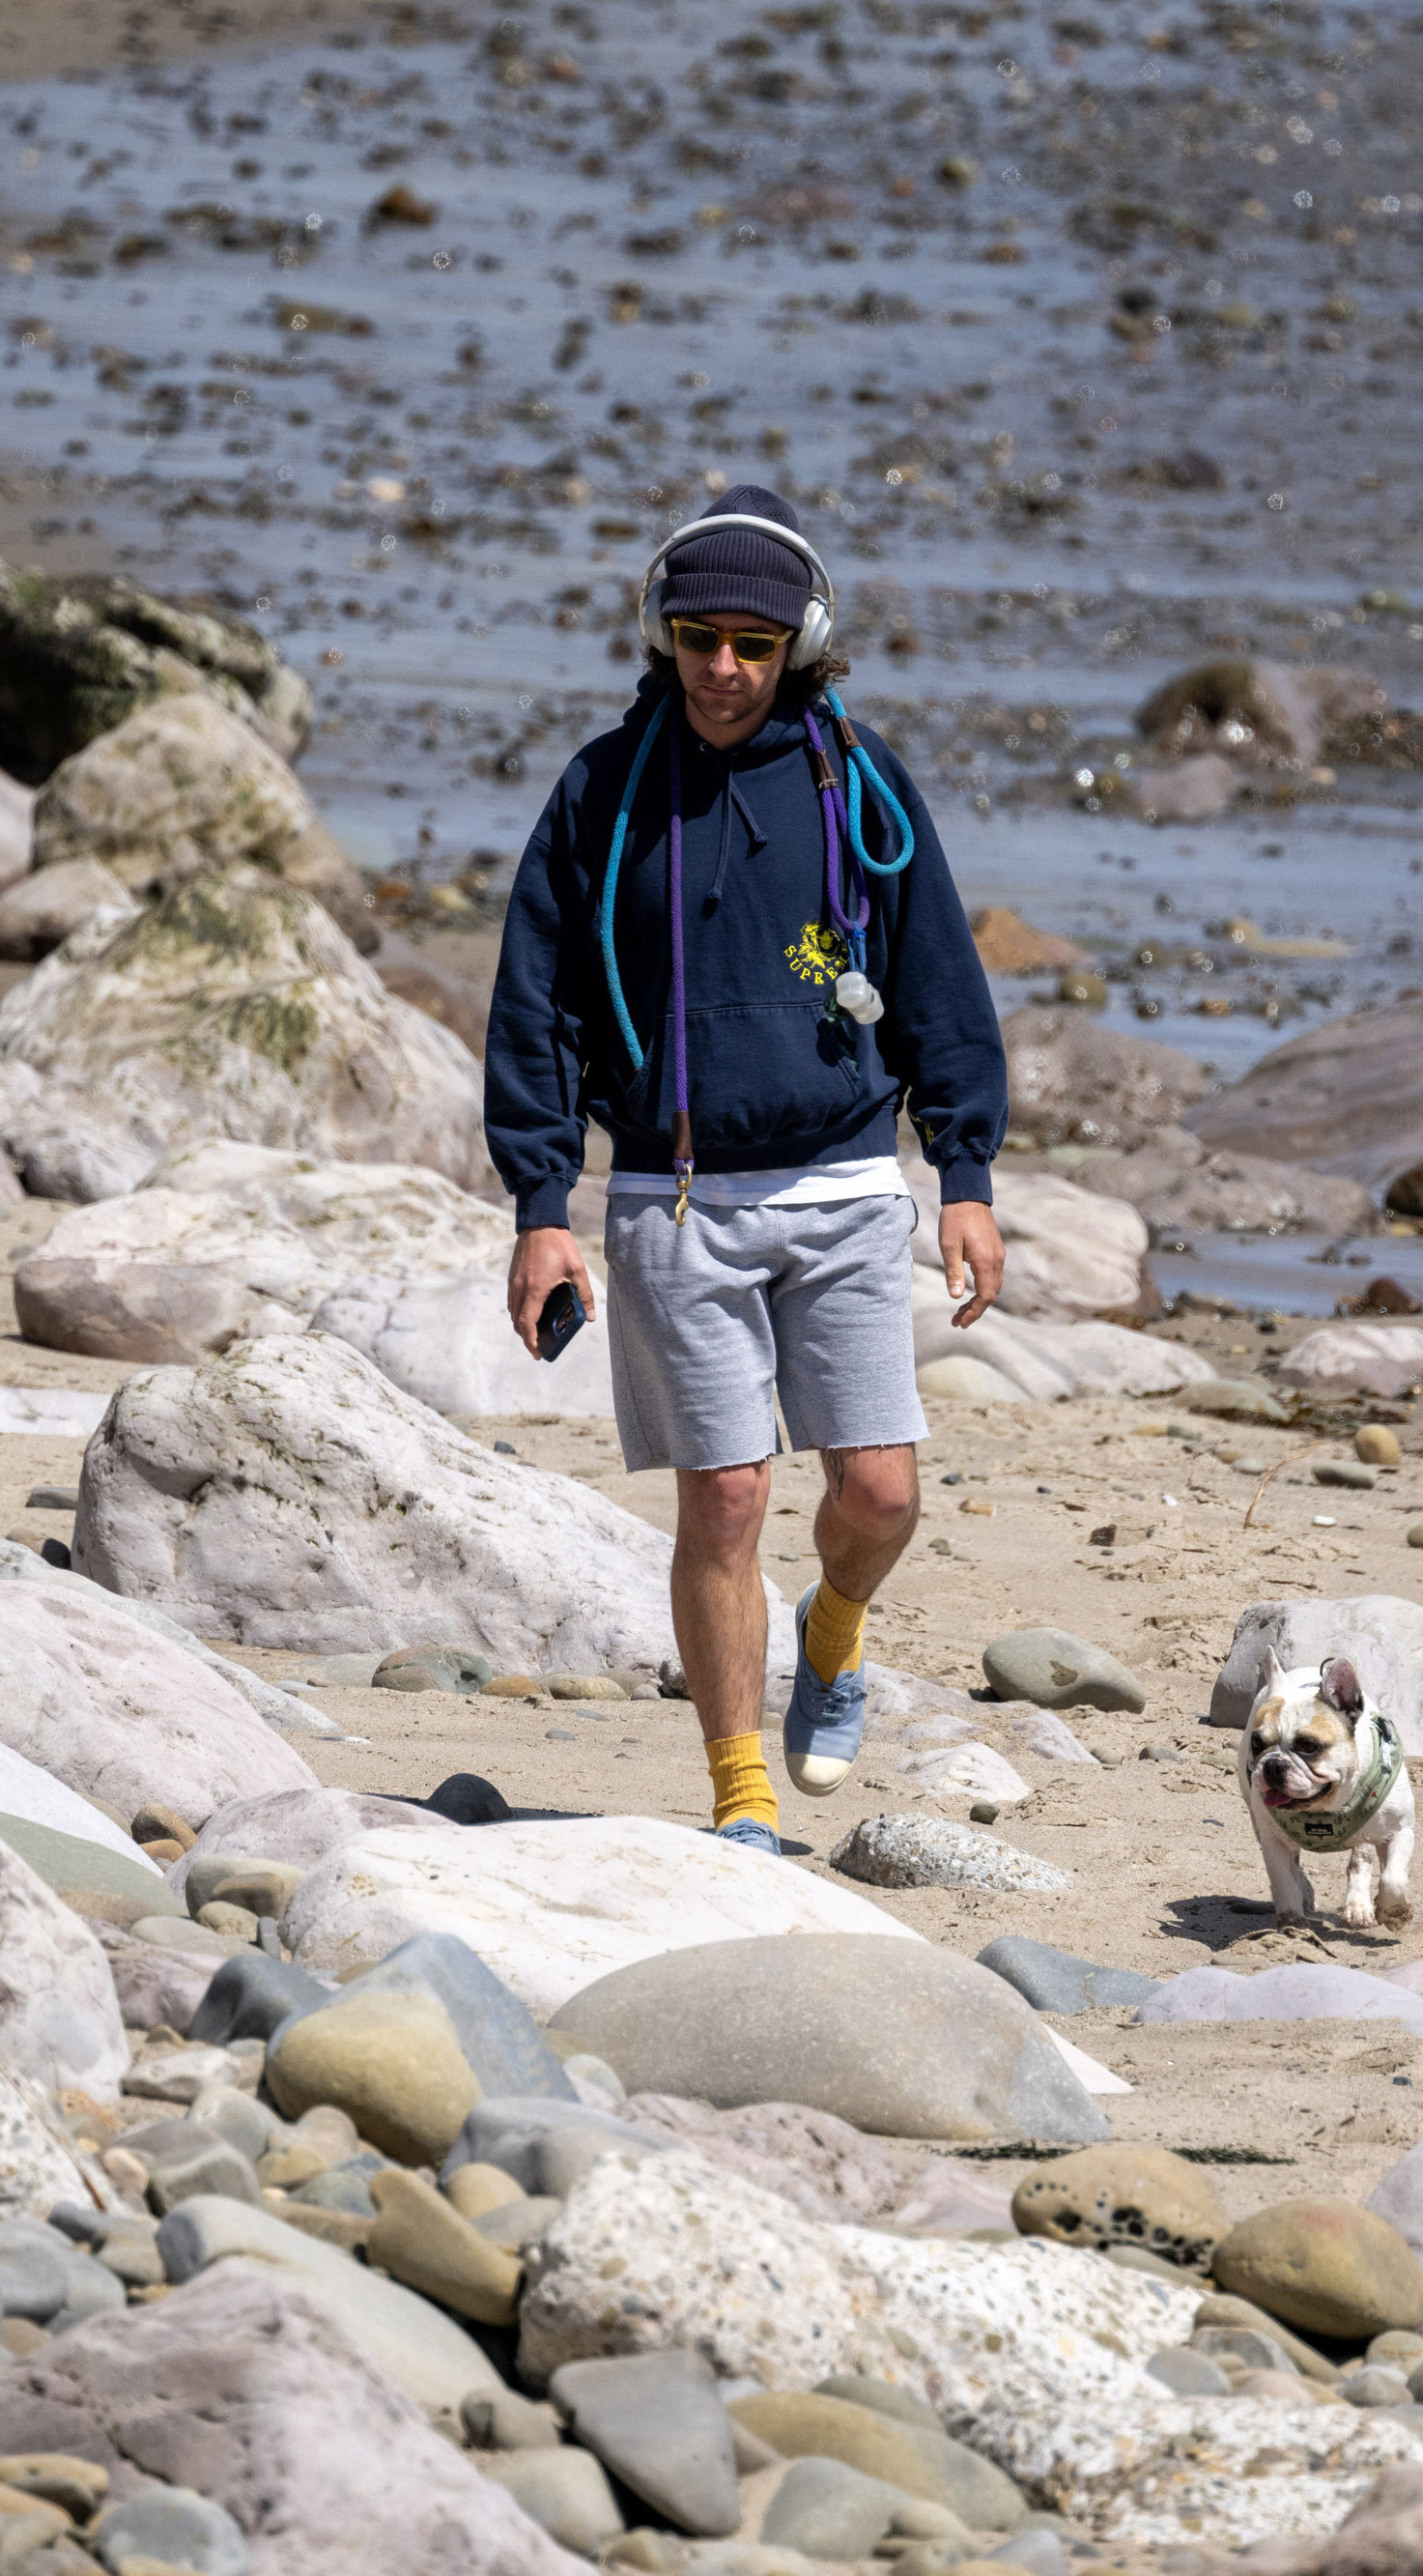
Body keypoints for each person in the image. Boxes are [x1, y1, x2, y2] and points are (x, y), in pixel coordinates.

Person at [484, 485, 1008, 1853]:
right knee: (724, 1497)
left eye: (754, 645)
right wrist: (545, 1210)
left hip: (841, 1185)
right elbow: (535, 1003)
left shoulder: (862, 784)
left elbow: (939, 979)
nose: (725, 668)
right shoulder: (603, 790)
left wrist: (966, 1173)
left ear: (801, 644)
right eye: (700, 637)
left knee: (882, 1492)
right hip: (674, 1195)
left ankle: (832, 1639)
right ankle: (741, 1800)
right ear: (662, 632)